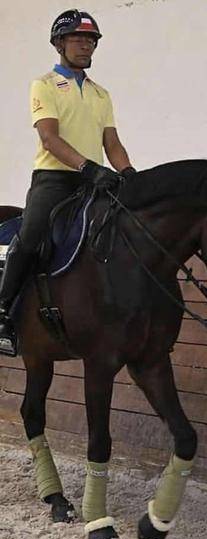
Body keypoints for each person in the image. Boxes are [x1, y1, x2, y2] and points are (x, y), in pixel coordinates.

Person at [0, 9, 136, 356]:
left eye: (90, 40)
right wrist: (87, 167)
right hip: (55, 180)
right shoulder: (44, 85)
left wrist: (130, 175)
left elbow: (113, 144)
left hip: (96, 181)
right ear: (59, 43)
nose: (85, 45)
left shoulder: (101, 94)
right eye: (77, 38)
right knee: (29, 238)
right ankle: (2, 313)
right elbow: (49, 138)